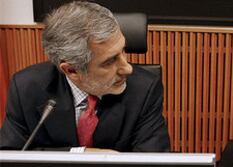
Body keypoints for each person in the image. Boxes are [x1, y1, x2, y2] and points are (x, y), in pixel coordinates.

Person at [0, 1, 170, 152]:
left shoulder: (144, 89)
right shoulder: (26, 88)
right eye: (109, 61)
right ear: (71, 70)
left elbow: (152, 158)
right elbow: (10, 154)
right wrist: (80, 154)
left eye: (123, 50)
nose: (127, 69)